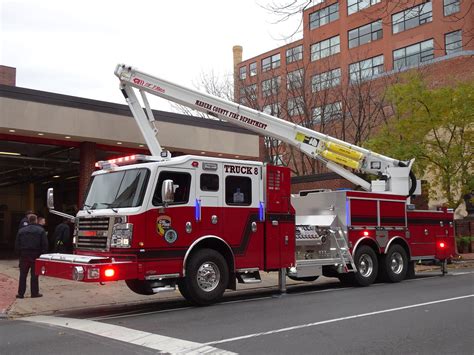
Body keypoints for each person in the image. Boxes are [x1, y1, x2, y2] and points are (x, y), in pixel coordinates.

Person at [15, 214, 48, 298]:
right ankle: (34, 293)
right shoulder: (41, 230)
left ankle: (20, 293)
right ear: (36, 220)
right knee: (34, 275)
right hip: (36, 255)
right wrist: (43, 255)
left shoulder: (21, 231)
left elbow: (17, 244)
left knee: (23, 275)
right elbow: (45, 244)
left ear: (28, 220)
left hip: (24, 255)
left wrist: (19, 254)